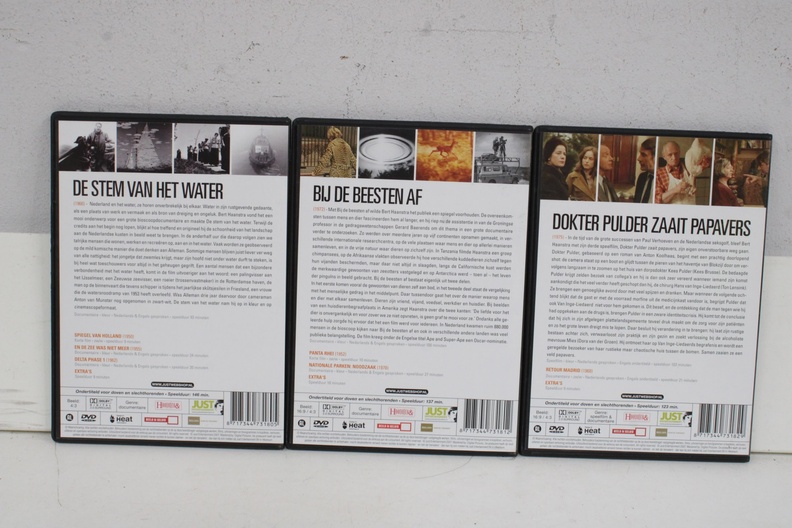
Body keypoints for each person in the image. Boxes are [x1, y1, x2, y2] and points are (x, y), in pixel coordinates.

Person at [539, 136, 569, 200]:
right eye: (558, 153)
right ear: (549, 156)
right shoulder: (547, 178)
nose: (563, 157)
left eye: (564, 154)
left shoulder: (557, 175)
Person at [633, 138, 655, 203]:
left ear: (655, 157)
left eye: (644, 155)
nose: (639, 159)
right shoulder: (642, 177)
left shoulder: (665, 180)